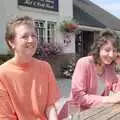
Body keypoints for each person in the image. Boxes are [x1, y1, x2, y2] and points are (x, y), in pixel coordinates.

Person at [0, 16, 60, 120]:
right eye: (24, 36)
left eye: (34, 35)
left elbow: (50, 106)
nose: (31, 40)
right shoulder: (2, 74)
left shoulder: (45, 67)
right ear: (11, 42)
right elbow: (5, 117)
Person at [58, 29, 120, 119]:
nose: (111, 55)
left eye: (114, 51)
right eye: (107, 50)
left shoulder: (109, 67)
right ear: (98, 49)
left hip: (95, 113)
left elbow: (118, 89)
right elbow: (78, 97)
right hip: (74, 114)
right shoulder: (84, 63)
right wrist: (108, 99)